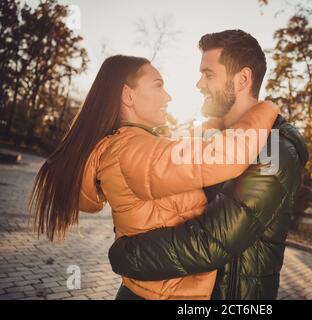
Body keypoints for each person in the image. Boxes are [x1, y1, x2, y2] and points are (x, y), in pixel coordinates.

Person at [29, 54, 279, 300]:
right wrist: (267, 109)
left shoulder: (132, 146)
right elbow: (225, 156)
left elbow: (182, 157)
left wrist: (212, 124)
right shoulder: (131, 150)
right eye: (158, 86)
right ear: (128, 95)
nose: (168, 96)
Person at [108, 30, 309, 300]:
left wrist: (124, 255)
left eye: (209, 74)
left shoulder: (276, 150)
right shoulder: (201, 140)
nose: (199, 83)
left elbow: (210, 243)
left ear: (243, 79)